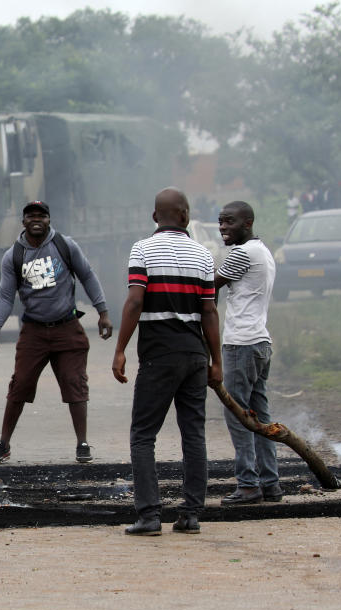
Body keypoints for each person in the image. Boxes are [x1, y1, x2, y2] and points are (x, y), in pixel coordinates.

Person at [112, 187, 222, 536]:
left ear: (155, 216)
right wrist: (215, 361)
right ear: (186, 216)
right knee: (194, 434)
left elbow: (134, 302)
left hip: (159, 354)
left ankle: (148, 515)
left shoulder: (142, 249)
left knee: (143, 435)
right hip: (194, 354)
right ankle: (190, 515)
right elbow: (209, 311)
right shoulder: (204, 255)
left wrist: (120, 349)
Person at [0, 200, 113, 465]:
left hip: (67, 328)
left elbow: (87, 275)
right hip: (34, 331)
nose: (36, 219)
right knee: (20, 384)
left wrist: (103, 312)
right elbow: (6, 296)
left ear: (49, 220)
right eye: (31, 216)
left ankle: (82, 443)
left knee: (74, 382)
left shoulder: (65, 246)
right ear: (24, 222)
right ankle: (4, 443)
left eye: (41, 215)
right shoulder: (13, 256)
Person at [215, 201, 281, 505]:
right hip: (260, 343)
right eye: (221, 222)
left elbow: (210, 285)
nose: (223, 227)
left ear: (248, 223)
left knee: (239, 416)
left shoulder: (243, 253)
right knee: (260, 416)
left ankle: (248, 484)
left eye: (230, 222)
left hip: (242, 344)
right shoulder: (263, 252)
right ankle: (270, 483)